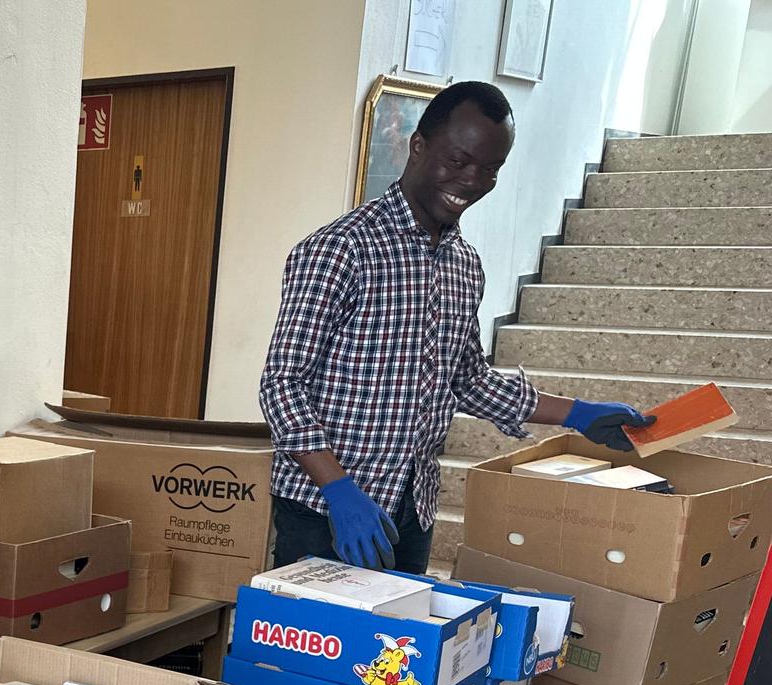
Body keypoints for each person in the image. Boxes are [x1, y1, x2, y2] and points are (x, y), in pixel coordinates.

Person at [260, 81, 653, 574]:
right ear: (418, 145)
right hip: (325, 512)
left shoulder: (463, 264)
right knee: (316, 627)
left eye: (490, 169)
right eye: (458, 160)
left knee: (401, 628)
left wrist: (577, 414)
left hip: (411, 507)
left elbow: (467, 380)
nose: (472, 181)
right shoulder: (341, 249)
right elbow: (282, 384)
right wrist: (337, 487)